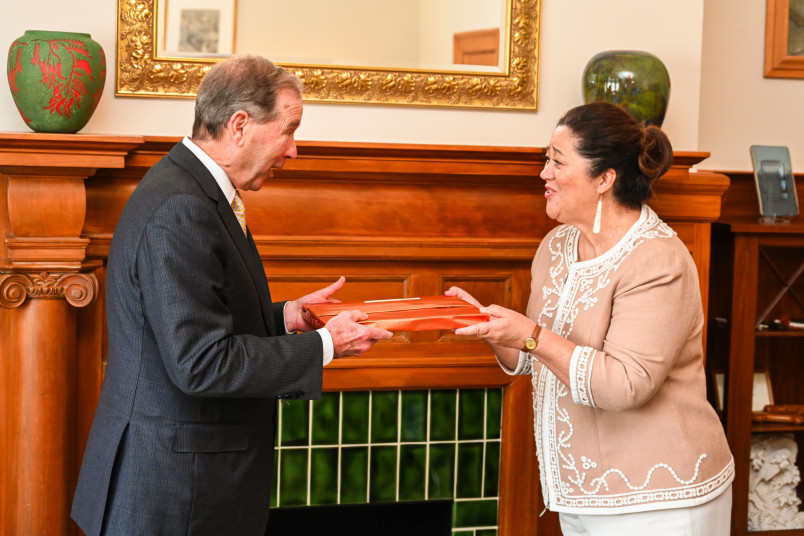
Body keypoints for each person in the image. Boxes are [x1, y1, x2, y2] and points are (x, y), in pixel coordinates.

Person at [71, 55, 393, 536]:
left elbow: (199, 318)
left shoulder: (194, 190)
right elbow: (201, 362)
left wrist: (288, 317)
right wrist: (328, 346)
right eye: (289, 129)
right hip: (174, 494)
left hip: (184, 483)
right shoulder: (181, 206)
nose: (293, 150)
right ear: (240, 124)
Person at [447, 102, 734, 535]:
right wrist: (489, 327)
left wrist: (529, 334)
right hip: (582, 494)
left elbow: (625, 384)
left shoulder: (658, 259)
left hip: (662, 500)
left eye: (557, 162)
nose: (544, 173)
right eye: (546, 159)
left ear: (604, 178)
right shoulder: (557, 245)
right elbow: (535, 354)